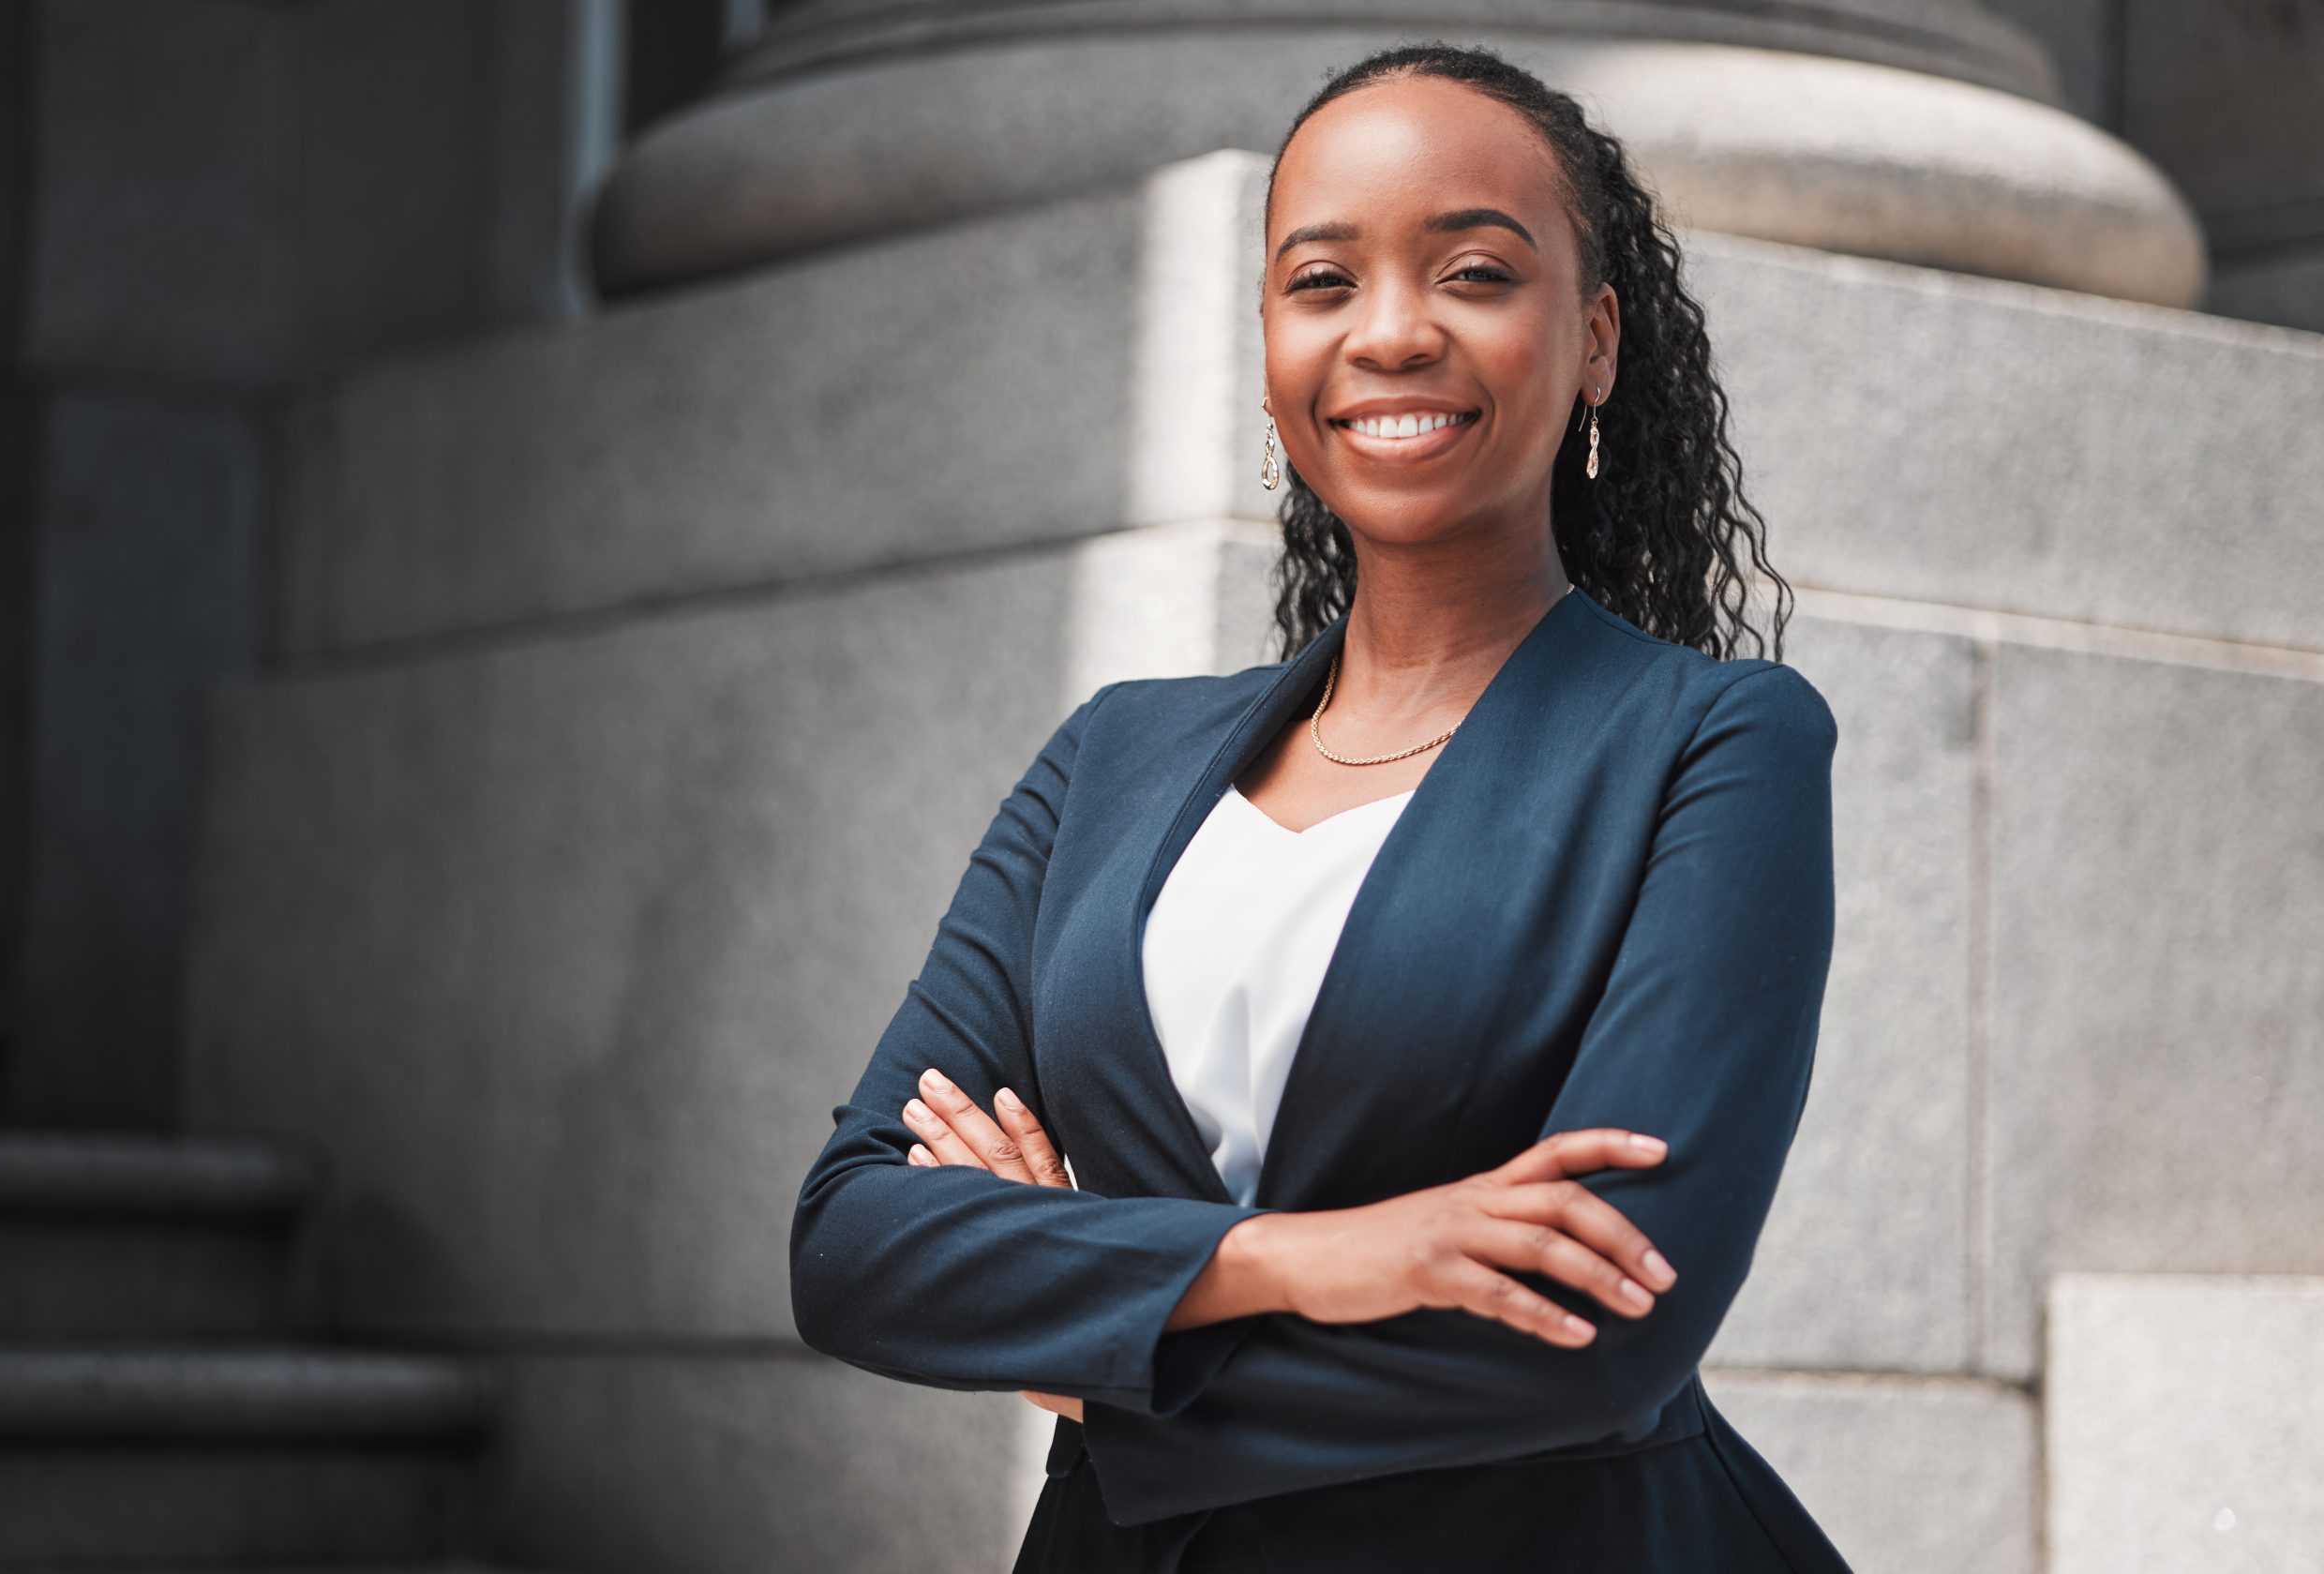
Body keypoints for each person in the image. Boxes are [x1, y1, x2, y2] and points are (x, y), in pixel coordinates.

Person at [790, 38, 1855, 1574]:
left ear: (1598, 338)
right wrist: (1311, 1259)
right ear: (1274, 350)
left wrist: (1096, 1333)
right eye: (1322, 280)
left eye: (1477, 273)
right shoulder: (1115, 758)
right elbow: (854, 1246)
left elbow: (1604, 1332)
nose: (1394, 332)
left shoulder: (1712, 744)